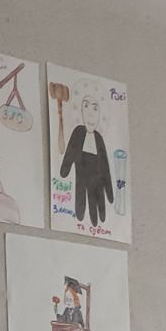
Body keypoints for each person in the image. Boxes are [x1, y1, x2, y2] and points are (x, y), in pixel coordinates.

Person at [59, 84, 114, 226]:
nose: (90, 114)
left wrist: (108, 188)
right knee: (81, 203)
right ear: (81, 111)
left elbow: (105, 167)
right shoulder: (78, 132)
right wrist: (65, 168)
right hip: (81, 180)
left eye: (95, 108)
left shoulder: (99, 139)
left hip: (96, 180)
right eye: (86, 106)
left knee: (96, 208)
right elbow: (69, 155)